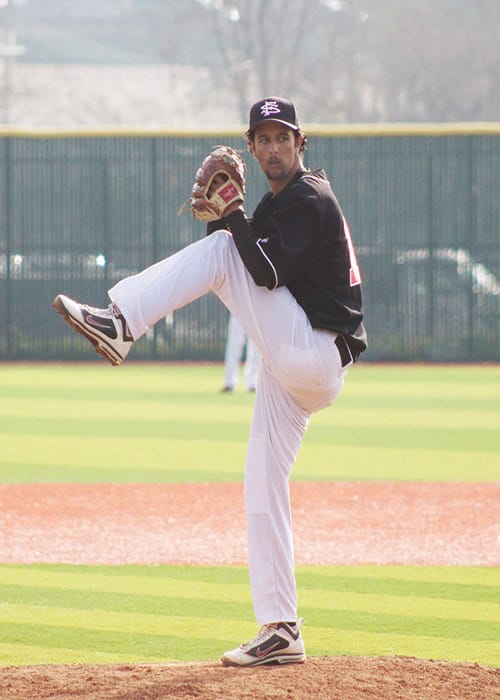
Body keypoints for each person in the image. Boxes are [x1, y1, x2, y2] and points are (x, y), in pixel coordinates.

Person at [52, 96, 367, 667]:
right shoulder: (279, 203)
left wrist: (230, 219)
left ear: (301, 143)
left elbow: (260, 271)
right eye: (263, 138)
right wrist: (227, 218)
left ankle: (122, 322)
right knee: (262, 484)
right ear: (252, 147)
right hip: (295, 365)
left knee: (222, 250)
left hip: (316, 352)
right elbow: (252, 258)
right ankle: (282, 628)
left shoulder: (308, 196)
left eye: (283, 137)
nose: (274, 147)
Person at [222, 313, 260, 392]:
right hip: (238, 310)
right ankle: (229, 382)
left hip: (255, 311)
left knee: (255, 348)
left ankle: (252, 383)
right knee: (233, 345)